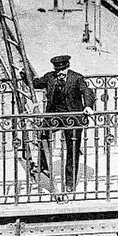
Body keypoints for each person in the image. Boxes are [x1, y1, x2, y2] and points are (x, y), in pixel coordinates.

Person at [31, 55, 95, 193]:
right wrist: (23, 73)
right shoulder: (50, 77)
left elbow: (87, 91)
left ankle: (70, 183)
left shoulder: (76, 78)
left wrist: (88, 106)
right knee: (42, 134)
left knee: (72, 150)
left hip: (73, 118)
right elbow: (35, 83)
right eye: (57, 71)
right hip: (55, 116)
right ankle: (43, 166)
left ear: (67, 68)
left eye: (62, 71)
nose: (60, 74)